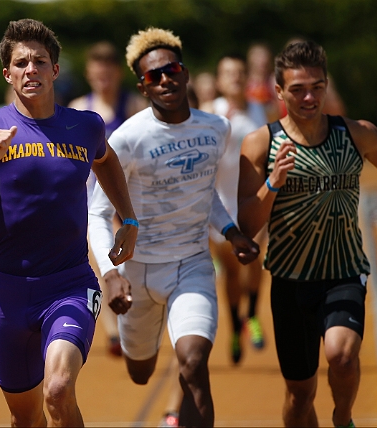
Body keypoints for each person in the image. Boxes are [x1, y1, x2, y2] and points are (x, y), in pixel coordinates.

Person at [0, 19, 138, 427]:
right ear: (7, 73)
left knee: (58, 390)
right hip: (10, 295)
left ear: (56, 70)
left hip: (71, 284)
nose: (30, 70)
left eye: (40, 61)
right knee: (27, 418)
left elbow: (105, 161)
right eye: (20, 63)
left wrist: (128, 217)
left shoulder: (85, 125)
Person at [237, 40, 377, 427]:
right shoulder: (261, 144)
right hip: (289, 280)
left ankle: (343, 416)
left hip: (343, 272)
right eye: (299, 89)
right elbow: (247, 224)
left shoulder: (356, 134)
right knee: (299, 395)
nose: (309, 97)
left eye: (317, 87)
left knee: (341, 355)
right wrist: (272, 183)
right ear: (278, 91)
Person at [88, 27, 259, 426]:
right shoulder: (127, 139)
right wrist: (111, 275)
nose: (165, 79)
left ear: (184, 72)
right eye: (153, 76)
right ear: (143, 86)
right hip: (139, 272)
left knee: (194, 361)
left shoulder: (215, 129)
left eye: (172, 70)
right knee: (140, 372)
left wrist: (232, 232)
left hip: (192, 265)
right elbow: (96, 213)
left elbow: (207, 194)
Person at [68, 41, 147, 357]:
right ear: (89, 74)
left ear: (117, 74)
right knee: (103, 256)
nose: (103, 79)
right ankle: (114, 333)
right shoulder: (78, 107)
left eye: (108, 73)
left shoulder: (134, 107)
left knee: (132, 258)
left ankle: (130, 320)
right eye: (97, 73)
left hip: (126, 194)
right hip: (91, 198)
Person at [208, 54, 269, 365]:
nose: (235, 78)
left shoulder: (261, 110)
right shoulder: (211, 113)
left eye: (240, 72)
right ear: (219, 80)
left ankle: (254, 314)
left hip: (254, 200)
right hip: (221, 205)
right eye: (228, 73)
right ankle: (235, 328)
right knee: (231, 272)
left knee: (255, 262)